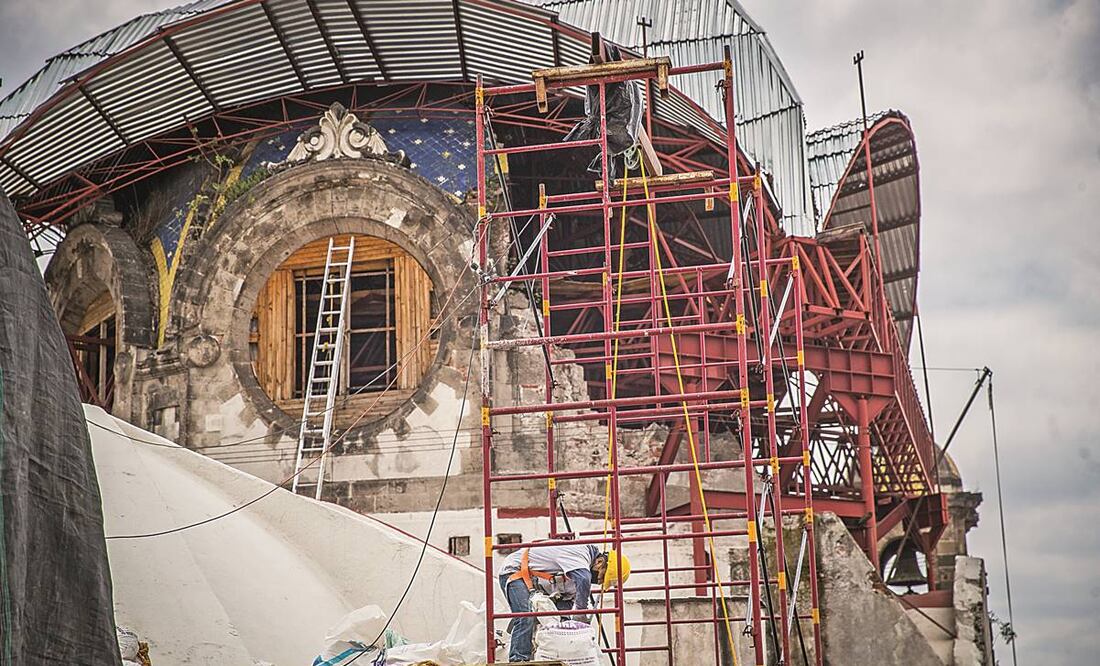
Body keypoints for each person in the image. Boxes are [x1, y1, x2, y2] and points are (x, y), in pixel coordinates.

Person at [497, 542, 630, 663]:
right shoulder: (580, 553)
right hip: (515, 571)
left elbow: (564, 610)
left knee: (555, 625)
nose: (598, 581)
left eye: (602, 582)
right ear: (599, 562)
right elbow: (583, 579)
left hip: (534, 583)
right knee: (526, 616)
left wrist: (571, 630)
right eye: (601, 576)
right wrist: (581, 615)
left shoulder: (576, 579)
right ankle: (518, 660)